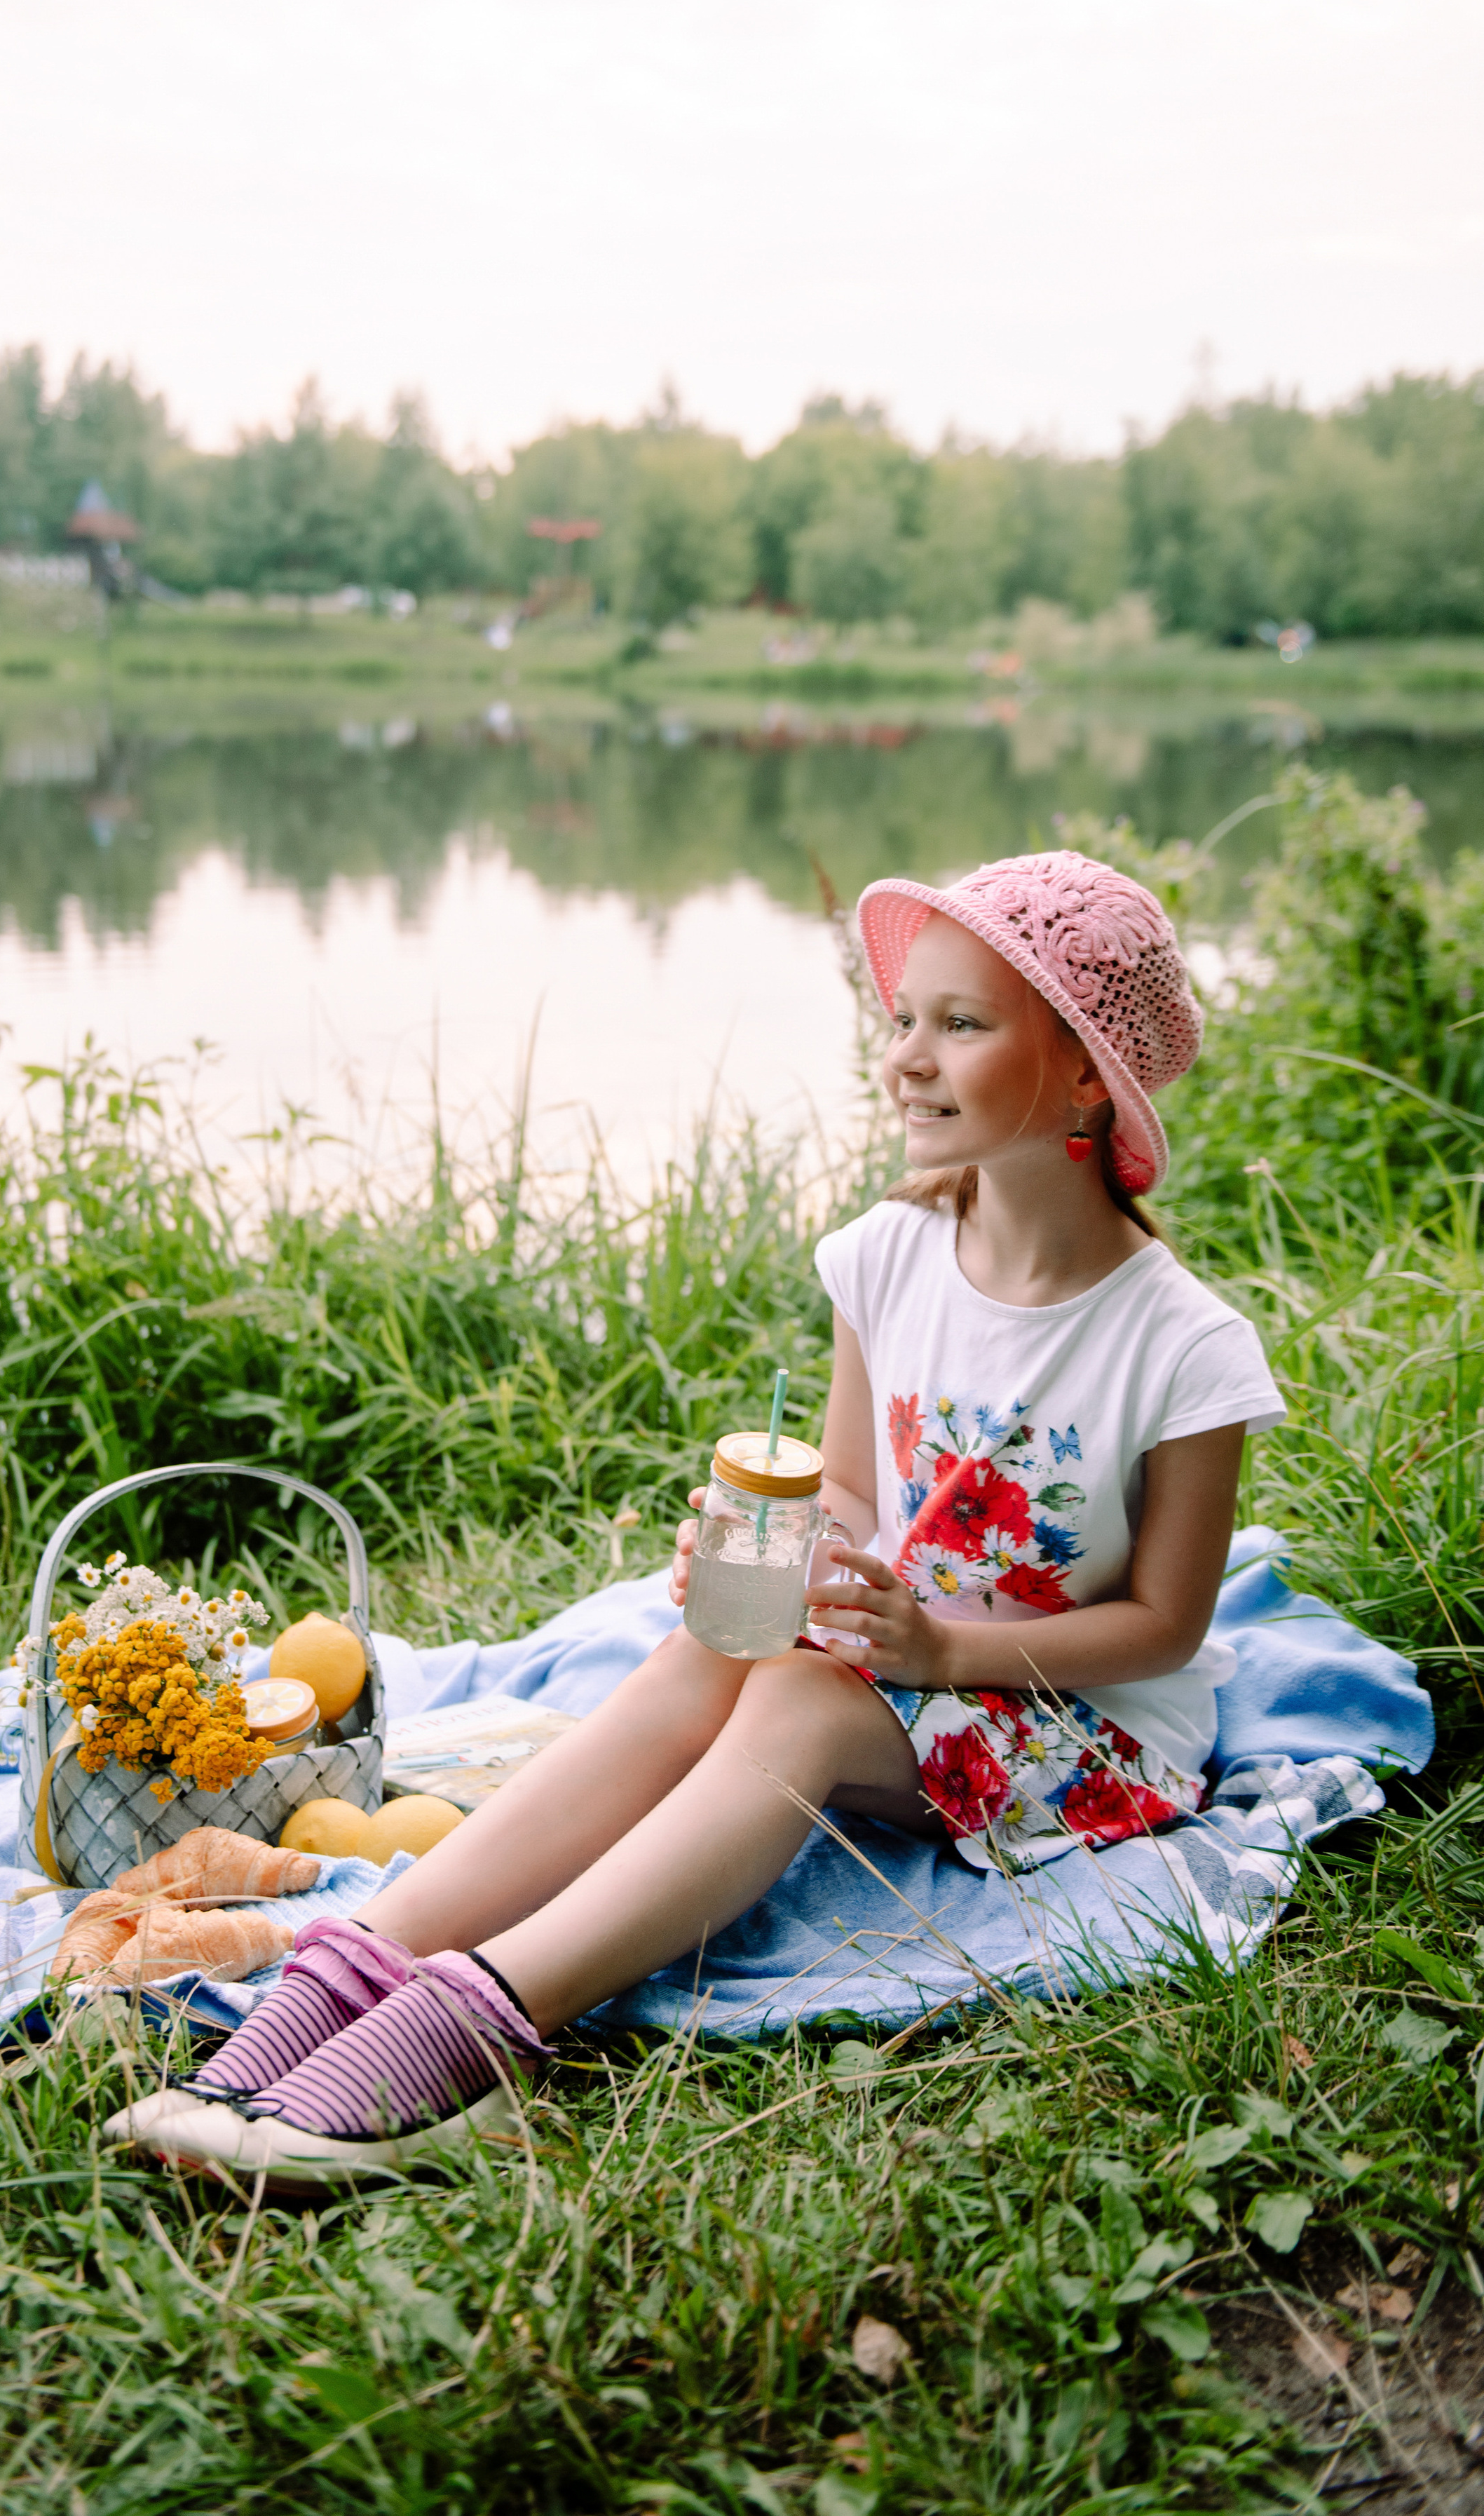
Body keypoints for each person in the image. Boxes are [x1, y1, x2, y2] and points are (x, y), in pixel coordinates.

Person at [110, 849, 1284, 2185]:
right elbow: (850, 1492)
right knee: (708, 1652)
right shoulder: (889, 1254)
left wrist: (945, 1652)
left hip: (1079, 1726)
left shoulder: (1181, 1343)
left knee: (797, 1704)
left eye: (961, 1024)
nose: (906, 1056)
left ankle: (473, 2036)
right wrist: (776, 1560)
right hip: (911, 1669)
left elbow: (1165, 1625)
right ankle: (350, 1978)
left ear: (1086, 1076)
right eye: (904, 1019)